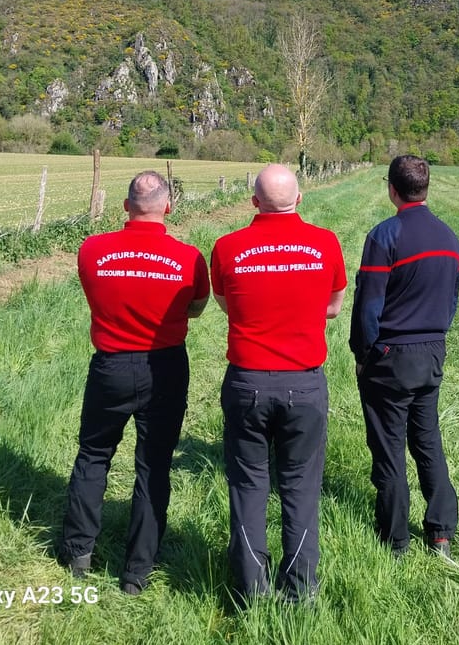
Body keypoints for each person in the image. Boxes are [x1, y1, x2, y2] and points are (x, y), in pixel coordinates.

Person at [61, 171, 209, 594]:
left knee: (93, 454)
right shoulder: (189, 258)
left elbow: (94, 293)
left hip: (110, 365)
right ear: (168, 207)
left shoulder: (92, 250)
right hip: (163, 366)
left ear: (125, 206)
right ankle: (137, 571)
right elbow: (195, 309)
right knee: (153, 463)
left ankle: (78, 552)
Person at [210, 164, 347, 604]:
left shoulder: (227, 248)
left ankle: (252, 590)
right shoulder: (325, 244)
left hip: (247, 380)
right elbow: (334, 306)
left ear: (253, 202)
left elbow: (225, 304)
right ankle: (301, 588)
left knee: (249, 485)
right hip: (304, 384)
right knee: (300, 486)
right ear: (300, 198)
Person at [350, 155, 459, 559]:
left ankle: (395, 539)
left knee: (389, 447)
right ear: (426, 188)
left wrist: (364, 353)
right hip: (432, 353)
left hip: (391, 356)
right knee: (428, 440)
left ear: (391, 189)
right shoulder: (450, 238)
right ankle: (441, 532)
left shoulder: (385, 236)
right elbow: (451, 301)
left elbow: (368, 306)